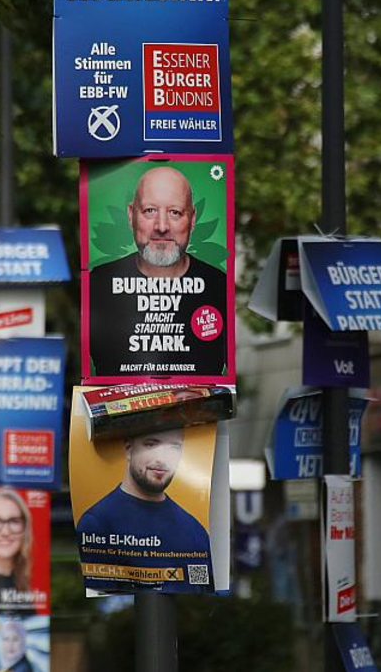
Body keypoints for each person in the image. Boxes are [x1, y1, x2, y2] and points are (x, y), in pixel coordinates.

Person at [88, 166, 228, 377]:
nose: (161, 226)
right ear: (130, 215)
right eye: (150, 211)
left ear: (192, 220)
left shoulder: (219, 286)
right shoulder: (98, 283)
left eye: (175, 212)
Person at [76, 428, 213, 593]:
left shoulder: (194, 530)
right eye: (151, 444)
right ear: (128, 449)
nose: (162, 459)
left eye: (173, 447)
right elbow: (104, 604)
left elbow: (201, 594)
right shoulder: (98, 523)